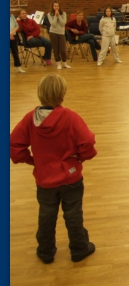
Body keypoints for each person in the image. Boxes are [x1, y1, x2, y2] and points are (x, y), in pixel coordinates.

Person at [9, 74, 97, 264]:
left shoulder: (30, 119)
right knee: (73, 214)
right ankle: (79, 248)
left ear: (40, 93)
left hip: (45, 179)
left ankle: (46, 251)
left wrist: (33, 161)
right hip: (70, 178)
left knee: (46, 215)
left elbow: (14, 145)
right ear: (62, 94)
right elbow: (88, 142)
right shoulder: (71, 117)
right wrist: (80, 158)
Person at [47, 1, 70, 70]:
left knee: (63, 49)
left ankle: (65, 63)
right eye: (55, 6)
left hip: (61, 33)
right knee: (56, 49)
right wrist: (55, 16)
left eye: (57, 6)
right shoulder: (49, 14)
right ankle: (58, 63)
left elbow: (63, 23)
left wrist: (59, 16)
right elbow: (53, 24)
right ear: (52, 7)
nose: (56, 7)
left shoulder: (64, 13)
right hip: (53, 32)